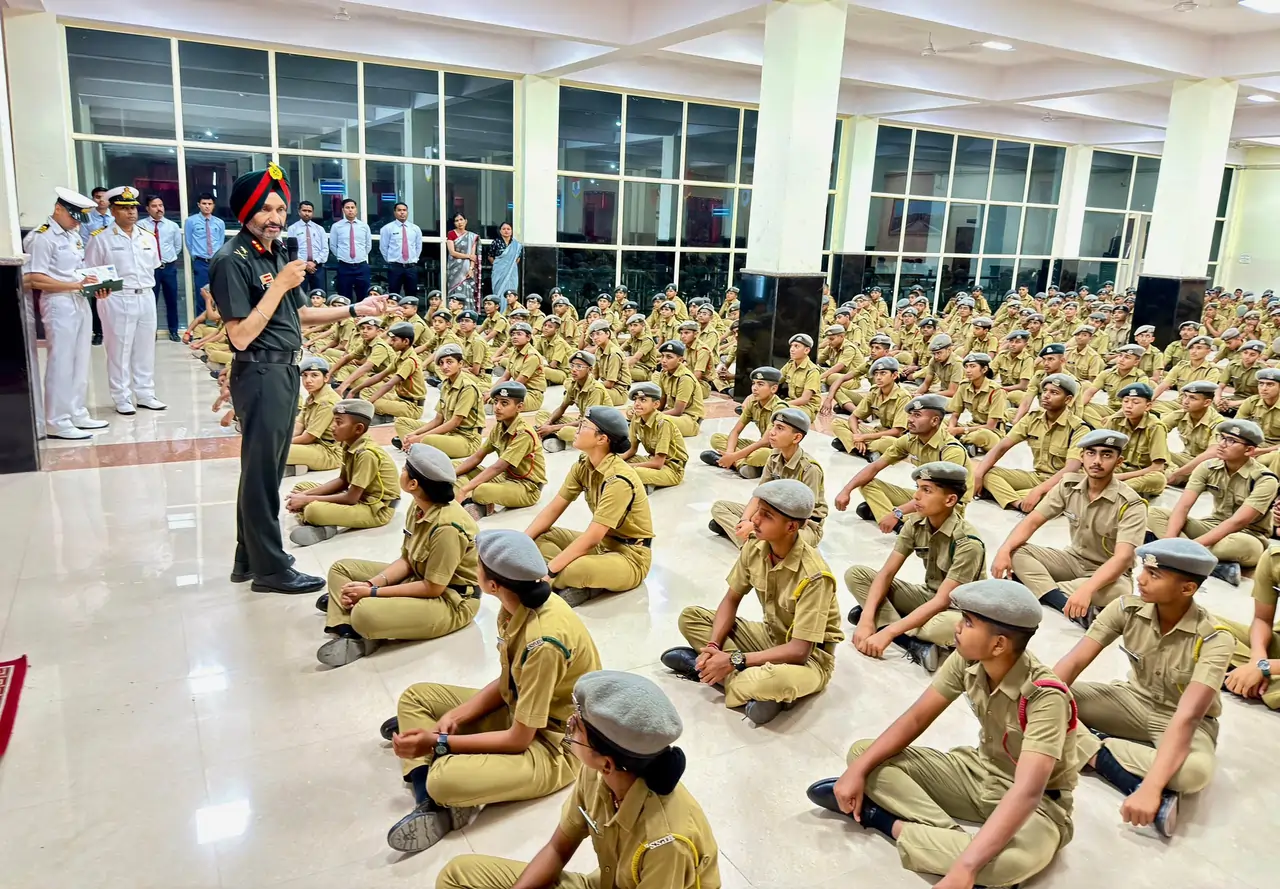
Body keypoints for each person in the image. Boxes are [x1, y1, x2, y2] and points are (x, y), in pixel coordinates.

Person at [807, 579, 1082, 889]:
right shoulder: (967, 660)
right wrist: (856, 771)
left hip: (1041, 806)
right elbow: (915, 718)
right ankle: (954, 843)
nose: (957, 627)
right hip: (979, 773)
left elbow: (1028, 792)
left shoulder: (1045, 697)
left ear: (999, 644)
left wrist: (965, 866)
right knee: (863, 754)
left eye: (968, 622)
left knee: (1009, 865)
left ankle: (883, 821)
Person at [210, 164, 385, 593]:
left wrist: (355, 310)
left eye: (280, 208)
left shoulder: (275, 254)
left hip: (286, 366)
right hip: (260, 369)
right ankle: (271, 570)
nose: (275, 217)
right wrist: (279, 285)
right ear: (246, 212)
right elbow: (239, 334)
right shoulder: (232, 260)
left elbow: (301, 314)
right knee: (261, 473)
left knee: (264, 468)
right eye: (267, 209)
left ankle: (248, 558)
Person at [383, 529, 601, 853]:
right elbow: (507, 684)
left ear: (493, 584)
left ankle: (434, 788)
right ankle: (428, 795)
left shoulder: (544, 641)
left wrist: (440, 742)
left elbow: (519, 739)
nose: (474, 566)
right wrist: (457, 715)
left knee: (445, 779)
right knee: (417, 697)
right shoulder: (518, 603)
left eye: (479, 564)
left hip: (555, 743)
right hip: (521, 709)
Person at [436, 669, 718, 889]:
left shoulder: (667, 843)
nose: (569, 726)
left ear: (607, 762)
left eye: (577, 726)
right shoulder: (599, 775)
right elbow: (558, 849)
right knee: (458, 875)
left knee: (444, 782)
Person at [1053, 539, 1232, 838]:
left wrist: (1151, 789)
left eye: (1154, 574)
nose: (1140, 578)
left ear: (1187, 589)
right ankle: (1111, 762)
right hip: (1131, 701)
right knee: (1049, 699)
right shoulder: (1126, 609)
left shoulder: (1214, 639)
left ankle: (1084, 740)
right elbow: (1073, 663)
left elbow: (1187, 716)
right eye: (1143, 568)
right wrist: (1037, 701)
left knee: (1193, 773)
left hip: (1186, 721)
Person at [663, 479, 841, 726]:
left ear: (791, 527)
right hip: (771, 637)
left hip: (810, 659)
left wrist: (734, 660)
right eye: (758, 510)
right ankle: (736, 681)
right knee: (692, 617)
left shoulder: (815, 575)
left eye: (766, 515)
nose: (755, 519)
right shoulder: (756, 547)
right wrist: (714, 646)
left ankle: (709, 671)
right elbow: (730, 599)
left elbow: (799, 651)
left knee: (774, 681)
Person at [318, 444, 480, 667]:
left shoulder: (447, 527)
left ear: (413, 484)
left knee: (365, 612)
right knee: (341, 569)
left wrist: (373, 593)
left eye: (405, 469)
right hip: (418, 577)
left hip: (451, 600)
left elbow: (434, 587)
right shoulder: (419, 506)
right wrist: (369, 584)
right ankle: (349, 630)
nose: (400, 472)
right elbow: (406, 559)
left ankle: (355, 620)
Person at [994, 428, 1147, 629]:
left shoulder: (1131, 504)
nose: (1097, 461)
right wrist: (1003, 551)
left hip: (1109, 573)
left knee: (1120, 592)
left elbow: (1122, 558)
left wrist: (1088, 589)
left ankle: (1036, 590)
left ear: (1119, 462)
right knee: (1017, 551)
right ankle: (1064, 603)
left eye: (1106, 455)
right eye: (1091, 453)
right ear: (1082, 457)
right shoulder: (1068, 486)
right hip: (1072, 560)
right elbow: (1032, 522)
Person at [844, 462, 982, 673]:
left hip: (961, 609)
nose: (916, 496)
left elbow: (943, 601)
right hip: (928, 596)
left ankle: (892, 625)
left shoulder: (967, 542)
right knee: (856, 575)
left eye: (926, 490)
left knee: (945, 627)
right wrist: (865, 620)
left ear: (950, 500)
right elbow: (887, 573)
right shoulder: (915, 524)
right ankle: (912, 642)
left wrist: (887, 632)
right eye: (917, 488)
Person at [526, 406, 654, 607]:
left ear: (602, 439)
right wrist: (522, 541)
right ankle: (574, 583)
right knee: (542, 536)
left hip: (630, 557)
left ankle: (572, 580)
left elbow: (593, 535)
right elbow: (554, 508)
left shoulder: (619, 479)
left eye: (584, 425)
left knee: (574, 569)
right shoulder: (584, 465)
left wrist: (550, 571)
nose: (577, 428)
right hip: (603, 545)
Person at [20, 187, 109, 440]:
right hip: (58, 302)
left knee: (80, 359)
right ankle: (56, 420)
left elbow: (78, 270)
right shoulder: (42, 238)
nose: (75, 223)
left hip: (79, 299)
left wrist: (94, 285)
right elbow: (33, 278)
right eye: (73, 217)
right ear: (58, 209)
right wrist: (74, 286)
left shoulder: (73, 235)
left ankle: (76, 411)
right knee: (61, 361)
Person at [1147, 419, 1278, 586]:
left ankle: (1176, 553)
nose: (1222, 444)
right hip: (1212, 525)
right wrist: (1171, 541)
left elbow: (1238, 522)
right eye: (1221, 438)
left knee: (1246, 546)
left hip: (1247, 534)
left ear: (1249, 450)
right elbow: (1183, 506)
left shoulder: (1265, 480)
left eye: (1231, 441)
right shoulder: (1207, 467)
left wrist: (1188, 546)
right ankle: (1212, 564)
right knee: (1154, 513)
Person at [83, 186, 166, 416]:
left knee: (145, 348)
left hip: (146, 296)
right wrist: (98, 292)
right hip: (117, 297)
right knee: (119, 349)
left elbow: (154, 266)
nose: (130, 212)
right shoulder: (101, 239)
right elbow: (91, 270)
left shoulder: (147, 237)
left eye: (133, 208)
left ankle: (145, 393)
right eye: (124, 208)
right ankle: (121, 397)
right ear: (112, 210)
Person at [834, 394, 971, 526]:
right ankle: (899, 522)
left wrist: (897, 513)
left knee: (928, 517)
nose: (910, 419)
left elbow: (942, 495)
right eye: (910, 414)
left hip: (946, 504)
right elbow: (875, 466)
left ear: (934, 421)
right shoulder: (910, 440)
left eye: (917, 415)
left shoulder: (951, 450)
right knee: (867, 483)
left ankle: (895, 519)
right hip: (923, 495)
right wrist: (846, 490)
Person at [285, 398, 399, 546]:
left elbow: (351, 498)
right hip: (359, 497)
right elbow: (342, 481)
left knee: (313, 509)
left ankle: (323, 523)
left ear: (358, 429)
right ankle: (325, 520)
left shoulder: (366, 453)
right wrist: (304, 495)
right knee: (301, 488)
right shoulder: (349, 444)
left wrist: (307, 500)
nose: (332, 427)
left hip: (376, 509)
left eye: (338, 422)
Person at [709, 409, 827, 548]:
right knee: (719, 507)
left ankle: (749, 544)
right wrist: (745, 521)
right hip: (771, 515)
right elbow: (759, 495)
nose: (772, 432)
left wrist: (754, 525)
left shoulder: (809, 469)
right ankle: (750, 539)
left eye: (780, 428)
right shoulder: (774, 457)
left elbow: (802, 517)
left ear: (796, 438)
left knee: (781, 543)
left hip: (799, 526)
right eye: (773, 426)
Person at [972, 373, 1088, 512]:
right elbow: (1002, 447)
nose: (1046, 395)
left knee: (1057, 495)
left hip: (1064, 483)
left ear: (1068, 399)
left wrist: (1038, 490)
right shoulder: (1033, 418)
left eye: (1054, 392)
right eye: (1045, 391)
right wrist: (978, 475)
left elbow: (1071, 469)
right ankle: (1018, 503)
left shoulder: (1079, 428)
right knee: (987, 473)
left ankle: (1010, 496)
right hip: (1038, 476)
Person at [455, 381, 547, 518]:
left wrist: (464, 489)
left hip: (527, 487)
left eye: (504, 403)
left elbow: (498, 467)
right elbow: (477, 457)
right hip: (506, 478)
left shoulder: (523, 434)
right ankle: (472, 502)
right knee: (456, 468)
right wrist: (450, 476)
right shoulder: (499, 426)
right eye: (496, 401)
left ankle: (474, 501)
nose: (497, 407)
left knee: (481, 490)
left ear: (519, 407)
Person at [1216, 546, 1280, 711]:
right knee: (1202, 624)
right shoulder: (1274, 559)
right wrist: (1258, 660)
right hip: (1276, 644)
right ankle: (1245, 678)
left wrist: (1266, 668)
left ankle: (1234, 676)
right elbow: (1262, 619)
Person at [701, 366, 786, 476]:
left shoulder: (779, 408)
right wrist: (730, 453)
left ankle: (730, 462)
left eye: (760, 384)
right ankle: (742, 465)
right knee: (716, 438)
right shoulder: (753, 403)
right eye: (753, 383)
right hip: (760, 445)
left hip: (776, 450)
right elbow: (736, 431)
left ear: (773, 389)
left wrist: (734, 456)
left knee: (758, 455)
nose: (754, 388)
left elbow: (765, 441)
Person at [831, 356, 911, 459]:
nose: (878, 377)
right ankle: (867, 452)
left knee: (890, 443)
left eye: (883, 373)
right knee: (837, 423)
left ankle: (849, 445)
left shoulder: (903, 397)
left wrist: (863, 437)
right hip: (877, 432)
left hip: (895, 437)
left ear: (894, 375)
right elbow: (853, 417)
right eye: (876, 374)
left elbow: (897, 431)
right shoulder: (874, 392)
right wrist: (857, 435)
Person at [538, 350, 609, 452]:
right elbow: (562, 408)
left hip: (599, 428)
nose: (574, 370)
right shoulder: (574, 384)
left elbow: (589, 421)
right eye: (572, 365)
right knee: (542, 415)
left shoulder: (595, 389)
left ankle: (554, 437)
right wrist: (548, 423)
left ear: (589, 370)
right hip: (582, 423)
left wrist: (553, 428)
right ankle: (554, 439)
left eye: (579, 367)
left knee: (565, 431)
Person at [623, 381, 687, 490]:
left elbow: (658, 463)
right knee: (616, 462)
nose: (637, 404)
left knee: (632, 470)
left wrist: (625, 467)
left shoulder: (663, 423)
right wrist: (616, 460)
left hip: (671, 468)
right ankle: (645, 480)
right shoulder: (637, 418)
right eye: (635, 400)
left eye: (643, 400)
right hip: (652, 460)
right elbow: (631, 450)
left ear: (656, 404)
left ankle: (648, 481)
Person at [137, 194, 184, 341]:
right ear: (147, 208)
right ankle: (151, 332)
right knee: (151, 302)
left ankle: (173, 331)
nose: (159, 209)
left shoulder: (172, 226)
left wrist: (166, 259)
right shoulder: (140, 226)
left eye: (161, 205)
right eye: (154, 206)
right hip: (151, 269)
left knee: (172, 301)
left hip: (169, 268)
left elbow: (177, 247)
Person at [286, 355, 342, 474]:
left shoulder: (327, 402)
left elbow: (309, 437)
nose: (308, 380)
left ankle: (295, 464)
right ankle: (297, 465)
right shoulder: (313, 396)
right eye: (304, 375)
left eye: (314, 375)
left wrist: (283, 443)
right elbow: (299, 425)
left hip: (329, 452)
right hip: (314, 446)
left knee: (272, 451)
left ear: (326, 378)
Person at [1164, 380, 1225, 486]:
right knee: (1158, 453)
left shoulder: (1218, 423)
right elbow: (1153, 432)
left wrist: (1178, 472)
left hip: (1209, 465)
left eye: (1192, 398)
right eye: (1185, 396)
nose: (1185, 401)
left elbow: (1212, 454)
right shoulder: (1181, 414)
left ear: (1207, 402)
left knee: (1167, 476)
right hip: (1186, 458)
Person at [364, 321, 427, 422]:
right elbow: (380, 376)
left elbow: (389, 385)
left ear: (406, 341)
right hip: (400, 399)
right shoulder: (400, 356)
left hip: (412, 407)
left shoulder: (410, 361)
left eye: (394, 340)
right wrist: (355, 390)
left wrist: (367, 403)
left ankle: (385, 419)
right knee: (366, 391)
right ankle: (385, 415)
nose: (390, 342)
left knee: (373, 403)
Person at [947, 352, 1006, 456]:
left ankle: (953, 443)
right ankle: (963, 444)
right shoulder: (964, 386)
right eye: (966, 367)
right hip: (972, 425)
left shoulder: (996, 391)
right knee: (942, 422)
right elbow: (955, 414)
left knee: (980, 435)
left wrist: (959, 430)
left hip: (991, 431)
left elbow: (990, 426)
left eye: (973, 366)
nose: (968, 370)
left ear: (984, 369)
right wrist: (951, 428)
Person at [494, 322, 547, 412]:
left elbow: (518, 383)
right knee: (485, 392)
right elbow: (504, 378)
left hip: (531, 395)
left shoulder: (532, 356)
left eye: (519, 334)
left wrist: (494, 394)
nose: (514, 337)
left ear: (528, 337)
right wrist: (491, 391)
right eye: (513, 334)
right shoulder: (514, 352)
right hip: (517, 392)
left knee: (502, 402)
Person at [656, 340, 705, 437]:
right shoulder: (664, 373)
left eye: (669, 357)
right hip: (671, 413)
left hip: (688, 420)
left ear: (680, 360)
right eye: (662, 356)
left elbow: (678, 411)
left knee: (660, 421)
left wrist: (653, 415)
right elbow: (661, 403)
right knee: (636, 410)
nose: (663, 360)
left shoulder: (685, 378)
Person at [184, 191, 224, 300]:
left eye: (209, 204)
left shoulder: (219, 223)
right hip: (201, 263)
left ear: (213, 206)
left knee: (218, 294)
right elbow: (189, 242)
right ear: (199, 205)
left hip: (216, 262)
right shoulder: (190, 221)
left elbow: (220, 242)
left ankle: (216, 317)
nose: (207, 206)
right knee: (201, 295)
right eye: (204, 203)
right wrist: (196, 257)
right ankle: (201, 317)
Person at [329, 198, 372, 300]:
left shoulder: (364, 226)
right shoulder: (336, 226)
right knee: (344, 297)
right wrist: (344, 257)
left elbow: (368, 246)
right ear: (343, 210)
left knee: (363, 297)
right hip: (344, 266)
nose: (350, 210)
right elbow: (333, 246)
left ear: (356, 210)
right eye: (347, 208)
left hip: (361, 266)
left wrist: (359, 257)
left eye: (352, 207)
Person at [380, 202, 423, 296]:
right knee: (394, 295)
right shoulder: (387, 228)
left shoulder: (415, 229)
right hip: (395, 267)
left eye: (404, 210)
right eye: (399, 210)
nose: (402, 212)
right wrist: (390, 260)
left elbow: (418, 246)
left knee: (411, 295)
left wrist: (414, 259)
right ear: (395, 212)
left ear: (407, 212)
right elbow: (383, 247)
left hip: (411, 267)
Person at [286, 200, 329, 293]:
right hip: (300, 267)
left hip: (317, 267)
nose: (307, 213)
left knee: (320, 295)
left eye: (309, 211)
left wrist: (314, 262)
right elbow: (293, 251)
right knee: (300, 294)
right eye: (304, 210)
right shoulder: (293, 229)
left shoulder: (319, 229)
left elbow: (325, 249)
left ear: (312, 213)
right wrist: (305, 264)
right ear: (299, 212)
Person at [780, 333, 822, 419]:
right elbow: (775, 380)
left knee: (780, 410)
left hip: (807, 408)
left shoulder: (812, 371)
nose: (792, 349)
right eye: (791, 346)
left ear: (806, 350)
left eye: (796, 346)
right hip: (791, 402)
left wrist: (781, 404)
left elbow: (804, 399)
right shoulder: (790, 364)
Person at [446, 213, 480, 307]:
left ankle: (468, 311)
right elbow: (452, 252)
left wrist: (471, 269)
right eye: (457, 221)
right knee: (455, 291)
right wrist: (468, 256)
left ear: (466, 221)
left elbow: (473, 256)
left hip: (467, 270)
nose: (459, 222)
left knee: (468, 290)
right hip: (455, 269)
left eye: (461, 220)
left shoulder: (472, 236)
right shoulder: (451, 234)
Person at [488, 221, 521, 301]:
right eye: (504, 229)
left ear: (511, 231)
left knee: (511, 292)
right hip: (498, 272)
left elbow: (518, 258)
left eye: (508, 229)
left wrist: (509, 266)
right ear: (500, 231)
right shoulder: (496, 242)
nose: (506, 231)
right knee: (498, 292)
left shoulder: (516, 245)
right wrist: (499, 265)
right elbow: (490, 256)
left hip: (511, 273)